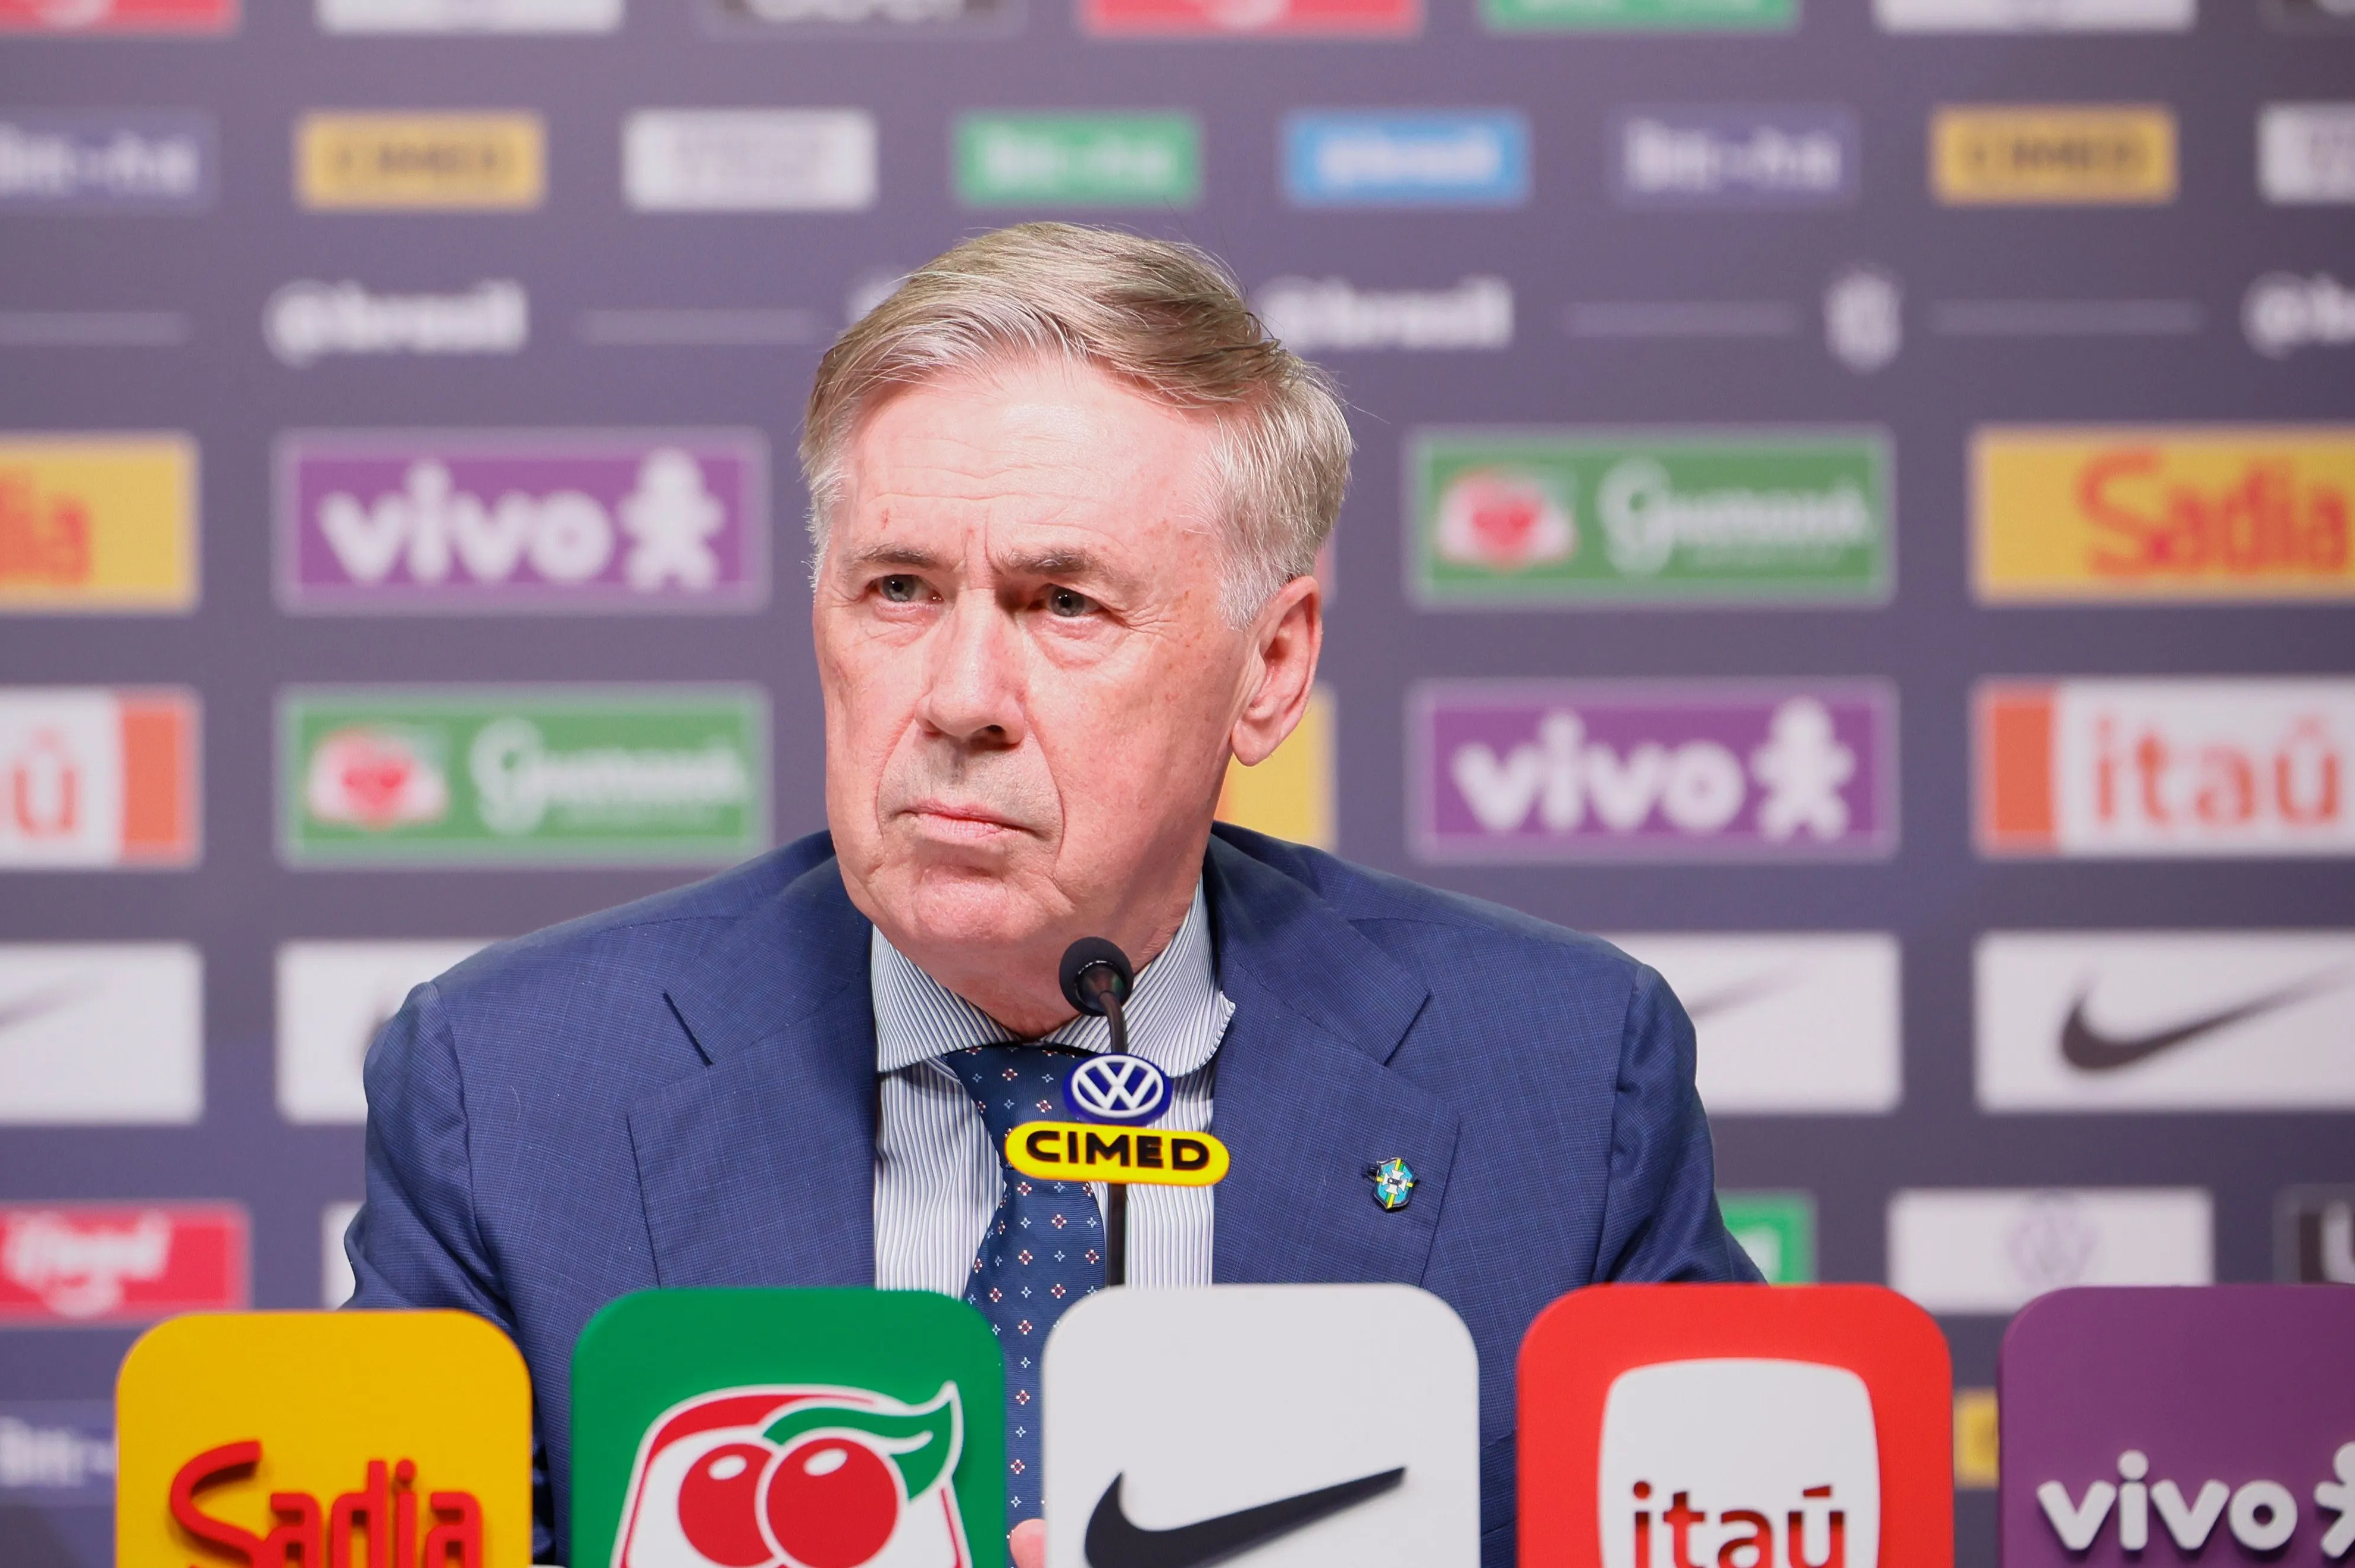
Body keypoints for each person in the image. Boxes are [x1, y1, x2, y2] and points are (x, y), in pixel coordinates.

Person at [346, 221, 1760, 1567]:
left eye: (1064, 605)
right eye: (898, 589)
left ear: (1269, 667)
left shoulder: (1566, 1083)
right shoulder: (516, 1093)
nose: (960, 697)